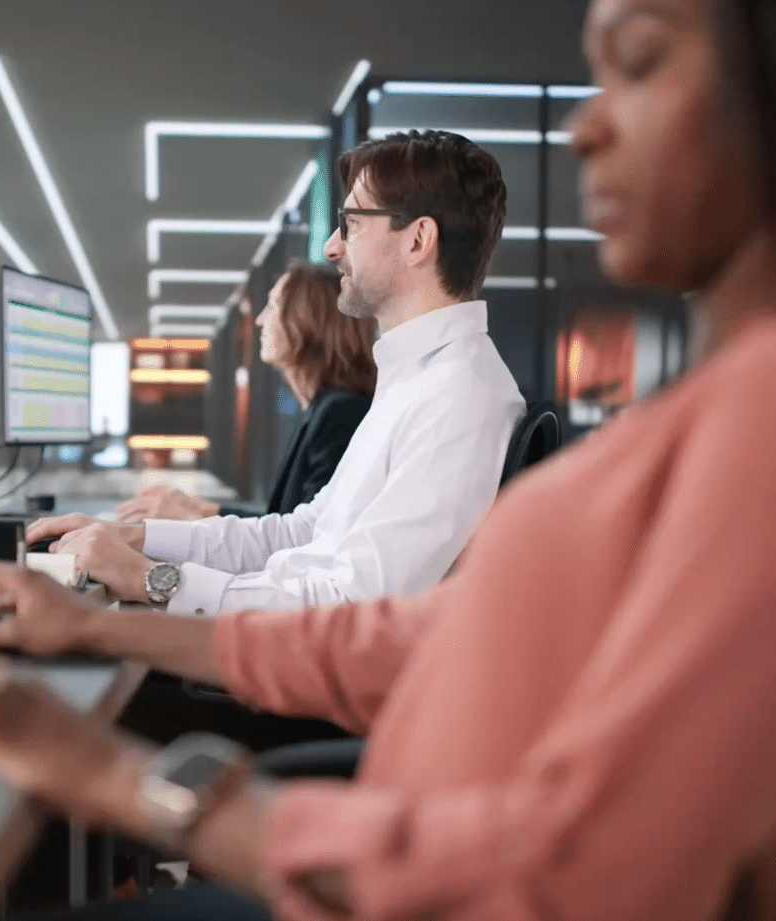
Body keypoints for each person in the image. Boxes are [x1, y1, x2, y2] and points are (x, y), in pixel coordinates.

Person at [0, 0, 776, 917]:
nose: (583, 126)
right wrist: (107, 621)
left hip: (399, 873)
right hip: (384, 838)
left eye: (640, 62)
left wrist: (120, 778)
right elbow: (410, 631)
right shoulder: (740, 397)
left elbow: (576, 869)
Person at [31, 130, 527, 616]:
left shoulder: (458, 398)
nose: (332, 247)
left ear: (417, 240)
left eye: (352, 224)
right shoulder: (416, 382)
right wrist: (138, 539)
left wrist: (151, 580)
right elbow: (301, 533)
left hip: (316, 665)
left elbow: (351, 606)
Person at [117, 262, 376, 523]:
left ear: (309, 320)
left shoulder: (341, 413)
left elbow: (307, 534)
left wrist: (193, 514)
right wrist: (202, 510)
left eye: (273, 305)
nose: (260, 320)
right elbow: (285, 524)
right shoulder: (325, 409)